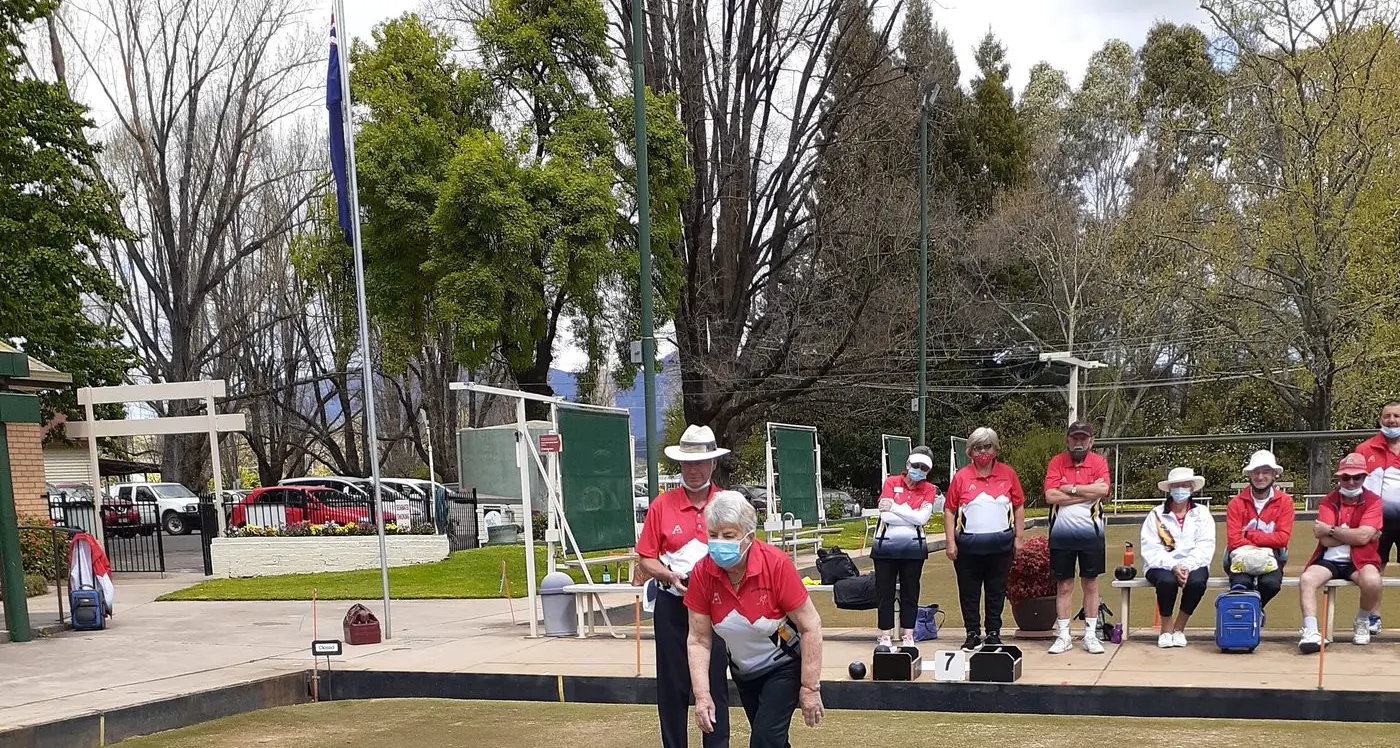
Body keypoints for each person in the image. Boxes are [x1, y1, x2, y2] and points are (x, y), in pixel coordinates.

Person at [686, 491, 824, 748]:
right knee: (773, 741)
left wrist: (809, 687)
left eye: (728, 536)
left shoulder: (776, 565)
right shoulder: (702, 573)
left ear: (749, 537)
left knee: (764, 741)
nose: (719, 543)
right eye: (713, 535)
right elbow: (699, 640)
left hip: (785, 664)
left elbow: (810, 625)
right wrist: (702, 695)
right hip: (744, 671)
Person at [636, 425, 731, 748]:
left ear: (713, 464)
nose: (693, 470)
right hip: (672, 606)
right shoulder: (662, 506)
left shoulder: (728, 503)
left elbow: (744, 552)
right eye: (687, 464)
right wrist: (668, 575)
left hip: (715, 607)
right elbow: (646, 559)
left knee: (714, 684)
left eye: (700, 463)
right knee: (673, 688)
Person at [944, 427, 1025, 651]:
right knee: (969, 592)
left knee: (996, 590)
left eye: (987, 446)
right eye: (977, 448)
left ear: (995, 448)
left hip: (1000, 546)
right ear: (970, 451)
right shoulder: (961, 477)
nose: (982, 452)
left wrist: (1019, 537)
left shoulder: (1008, 474)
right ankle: (972, 633)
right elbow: (950, 510)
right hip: (968, 547)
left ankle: (993, 633)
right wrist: (950, 541)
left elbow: (1018, 506)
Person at [1298, 453, 1384, 653]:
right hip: (1329, 559)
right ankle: (1310, 631)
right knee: (1307, 579)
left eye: (1357, 477)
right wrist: (1360, 534)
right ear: (1339, 477)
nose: (1352, 482)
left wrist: (1332, 530)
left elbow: (1359, 536)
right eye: (1346, 477)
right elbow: (1326, 540)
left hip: (1361, 560)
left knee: (1373, 581)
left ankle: (1362, 620)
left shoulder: (1374, 501)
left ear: (1364, 477)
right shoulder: (1329, 501)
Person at [1043, 421, 1111, 655]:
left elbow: (1103, 490)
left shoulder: (1099, 462)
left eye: (1084, 439)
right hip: (1061, 534)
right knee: (1064, 585)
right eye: (1075, 438)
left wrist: (1070, 489)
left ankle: (1090, 635)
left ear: (1091, 441)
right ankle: (1064, 636)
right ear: (1068, 440)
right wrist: (1086, 491)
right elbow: (1051, 496)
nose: (1079, 442)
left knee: (1090, 584)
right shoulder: (1056, 462)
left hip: (1091, 533)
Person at [1140, 467, 1215, 648]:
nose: (1180, 489)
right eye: (1176, 486)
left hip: (1194, 563)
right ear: (1169, 489)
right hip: (1160, 564)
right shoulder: (1156, 515)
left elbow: (1205, 545)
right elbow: (1150, 548)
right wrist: (1173, 565)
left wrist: (1187, 565)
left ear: (1191, 488)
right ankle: (1166, 628)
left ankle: (1179, 628)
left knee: (1197, 582)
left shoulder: (1202, 514)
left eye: (1184, 485)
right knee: (1167, 581)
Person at [872, 446, 939, 648]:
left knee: (911, 591)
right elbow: (886, 516)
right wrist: (908, 514)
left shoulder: (930, 489)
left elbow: (922, 519)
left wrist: (895, 507)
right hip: (885, 547)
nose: (919, 470)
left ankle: (908, 633)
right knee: (885, 591)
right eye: (916, 466)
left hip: (913, 549)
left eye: (924, 468)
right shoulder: (891, 481)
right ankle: (885, 634)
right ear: (908, 464)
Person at [1223, 450, 1294, 608]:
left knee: (1271, 584)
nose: (1260, 477)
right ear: (1249, 474)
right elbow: (1234, 540)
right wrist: (1267, 540)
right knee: (1241, 584)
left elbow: (1282, 538)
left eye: (1266, 472)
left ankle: (1255, 610)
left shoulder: (1285, 502)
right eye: (1256, 472)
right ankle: (1251, 616)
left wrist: (1250, 534)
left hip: (1273, 556)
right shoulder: (1236, 503)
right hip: (1240, 555)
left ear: (1275, 474)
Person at [1356, 401, 1400, 635]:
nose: (1392, 420)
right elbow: (1352, 483)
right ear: (1380, 419)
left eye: (1396, 416)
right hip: (1375, 522)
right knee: (1375, 569)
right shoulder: (1364, 449)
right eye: (1387, 416)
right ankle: (1373, 617)